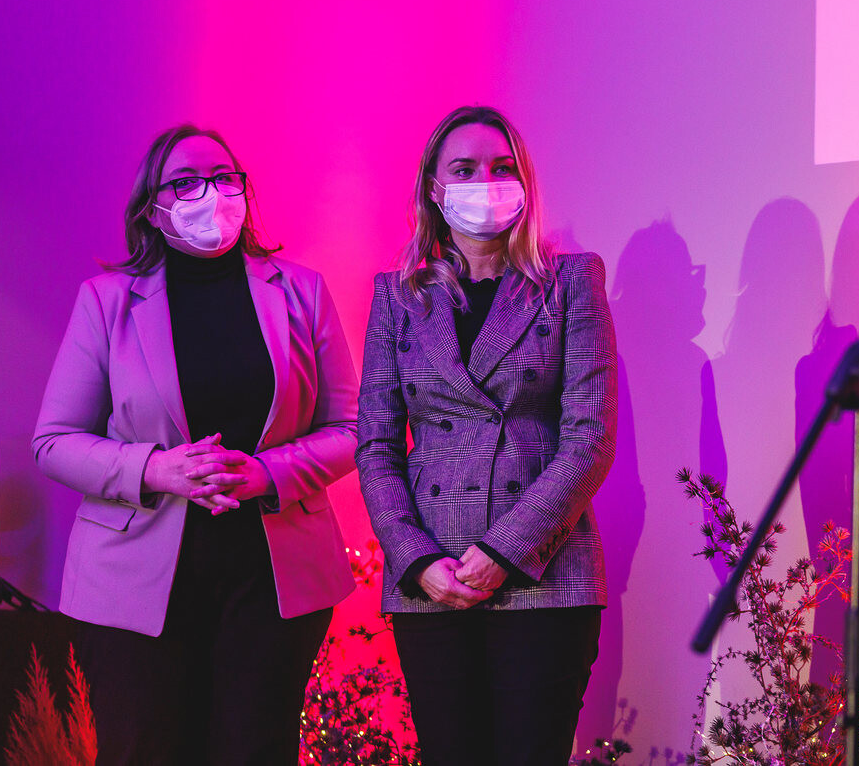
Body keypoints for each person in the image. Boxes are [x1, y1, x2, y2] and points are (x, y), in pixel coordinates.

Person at [33, 125, 358, 765]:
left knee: (255, 752)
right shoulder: (106, 301)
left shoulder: (302, 291)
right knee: (146, 751)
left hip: (272, 579)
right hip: (133, 581)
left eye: (224, 177)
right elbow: (54, 442)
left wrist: (268, 473)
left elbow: (353, 428)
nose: (210, 193)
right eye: (185, 182)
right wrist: (157, 469)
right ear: (151, 208)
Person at [356, 105, 616, 766]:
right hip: (433, 578)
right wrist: (416, 559)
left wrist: (503, 550)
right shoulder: (398, 296)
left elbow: (588, 439)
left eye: (502, 168)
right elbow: (377, 447)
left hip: (543, 574)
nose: (486, 182)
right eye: (465, 169)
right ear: (435, 188)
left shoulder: (569, 282)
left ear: (525, 183)